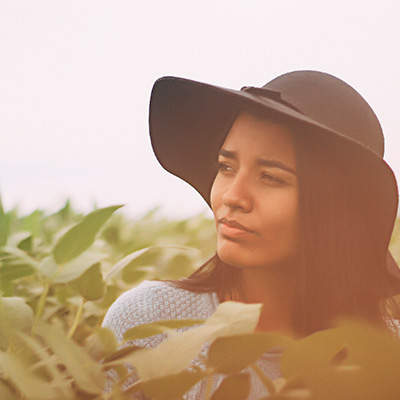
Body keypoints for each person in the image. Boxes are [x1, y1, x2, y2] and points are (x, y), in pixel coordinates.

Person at [102, 70, 400, 398]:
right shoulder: (149, 321)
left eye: (270, 177)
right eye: (226, 167)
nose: (233, 196)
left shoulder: (387, 356)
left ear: (333, 207)